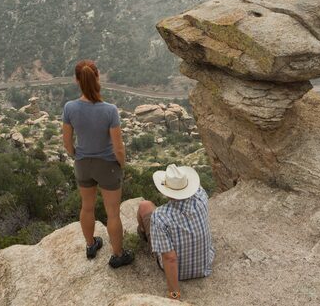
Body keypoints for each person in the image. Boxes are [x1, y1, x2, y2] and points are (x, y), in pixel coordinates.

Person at [62, 59, 134, 268]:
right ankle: (118, 255)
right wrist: (121, 164)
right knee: (112, 212)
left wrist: (78, 155)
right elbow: (118, 147)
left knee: (87, 207)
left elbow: (67, 143)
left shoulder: (70, 108)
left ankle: (91, 244)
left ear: (77, 81)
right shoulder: (109, 110)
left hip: (83, 164)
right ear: (98, 77)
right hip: (107, 165)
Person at [137, 164, 214, 301]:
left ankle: (143, 233)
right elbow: (196, 189)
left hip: (179, 272)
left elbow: (170, 258)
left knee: (145, 206)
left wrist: (175, 295)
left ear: (166, 191)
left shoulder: (160, 216)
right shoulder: (202, 196)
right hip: (204, 265)